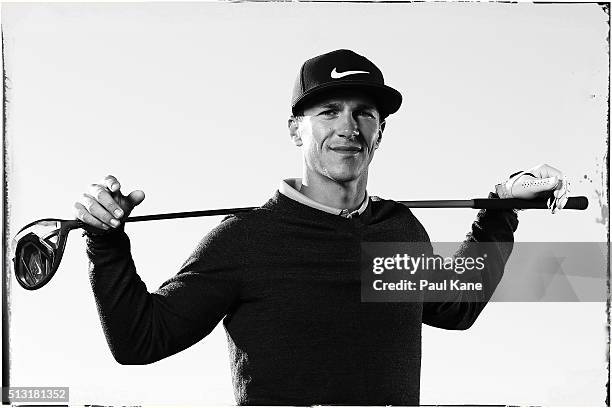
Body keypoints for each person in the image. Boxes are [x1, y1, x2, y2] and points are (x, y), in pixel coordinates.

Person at [74, 49, 569, 405]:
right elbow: (141, 340)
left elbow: (456, 305)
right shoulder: (246, 240)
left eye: (363, 113)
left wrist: (502, 206)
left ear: (381, 130)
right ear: (296, 129)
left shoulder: (395, 229)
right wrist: (105, 241)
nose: (347, 127)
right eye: (328, 111)